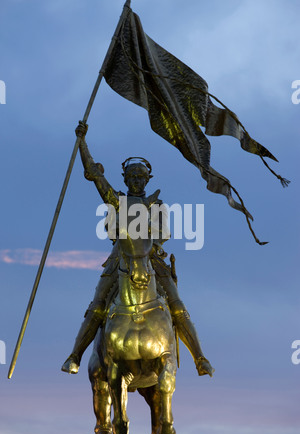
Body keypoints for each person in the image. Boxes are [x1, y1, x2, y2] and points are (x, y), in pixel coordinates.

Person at [61, 121, 214, 377]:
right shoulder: (117, 202)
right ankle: (74, 355)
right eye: (131, 177)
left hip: (152, 261)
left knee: (177, 307)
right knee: (97, 306)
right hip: (119, 260)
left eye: (140, 177)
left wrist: (149, 248)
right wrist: (82, 143)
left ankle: (200, 357)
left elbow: (163, 234)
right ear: (125, 179)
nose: (136, 181)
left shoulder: (157, 205)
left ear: (147, 178)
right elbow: (95, 176)